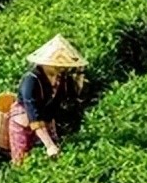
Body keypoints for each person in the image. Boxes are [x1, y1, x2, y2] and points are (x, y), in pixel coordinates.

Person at [8, 34, 87, 165]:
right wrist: (49, 144)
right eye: (55, 64)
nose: (60, 68)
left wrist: (79, 76)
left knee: (52, 159)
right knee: (22, 161)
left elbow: (69, 98)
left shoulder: (61, 79)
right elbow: (33, 111)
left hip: (46, 120)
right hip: (24, 123)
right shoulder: (31, 80)